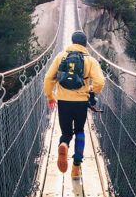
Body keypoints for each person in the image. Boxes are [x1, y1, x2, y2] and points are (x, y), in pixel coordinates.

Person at [44, 31, 105, 179]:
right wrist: (91, 92)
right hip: (80, 103)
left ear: (72, 42)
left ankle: (63, 144)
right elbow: (100, 82)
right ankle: (76, 167)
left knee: (66, 132)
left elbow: (48, 78)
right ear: (85, 44)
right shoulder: (90, 61)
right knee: (79, 131)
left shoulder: (61, 57)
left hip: (63, 102)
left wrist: (51, 96)